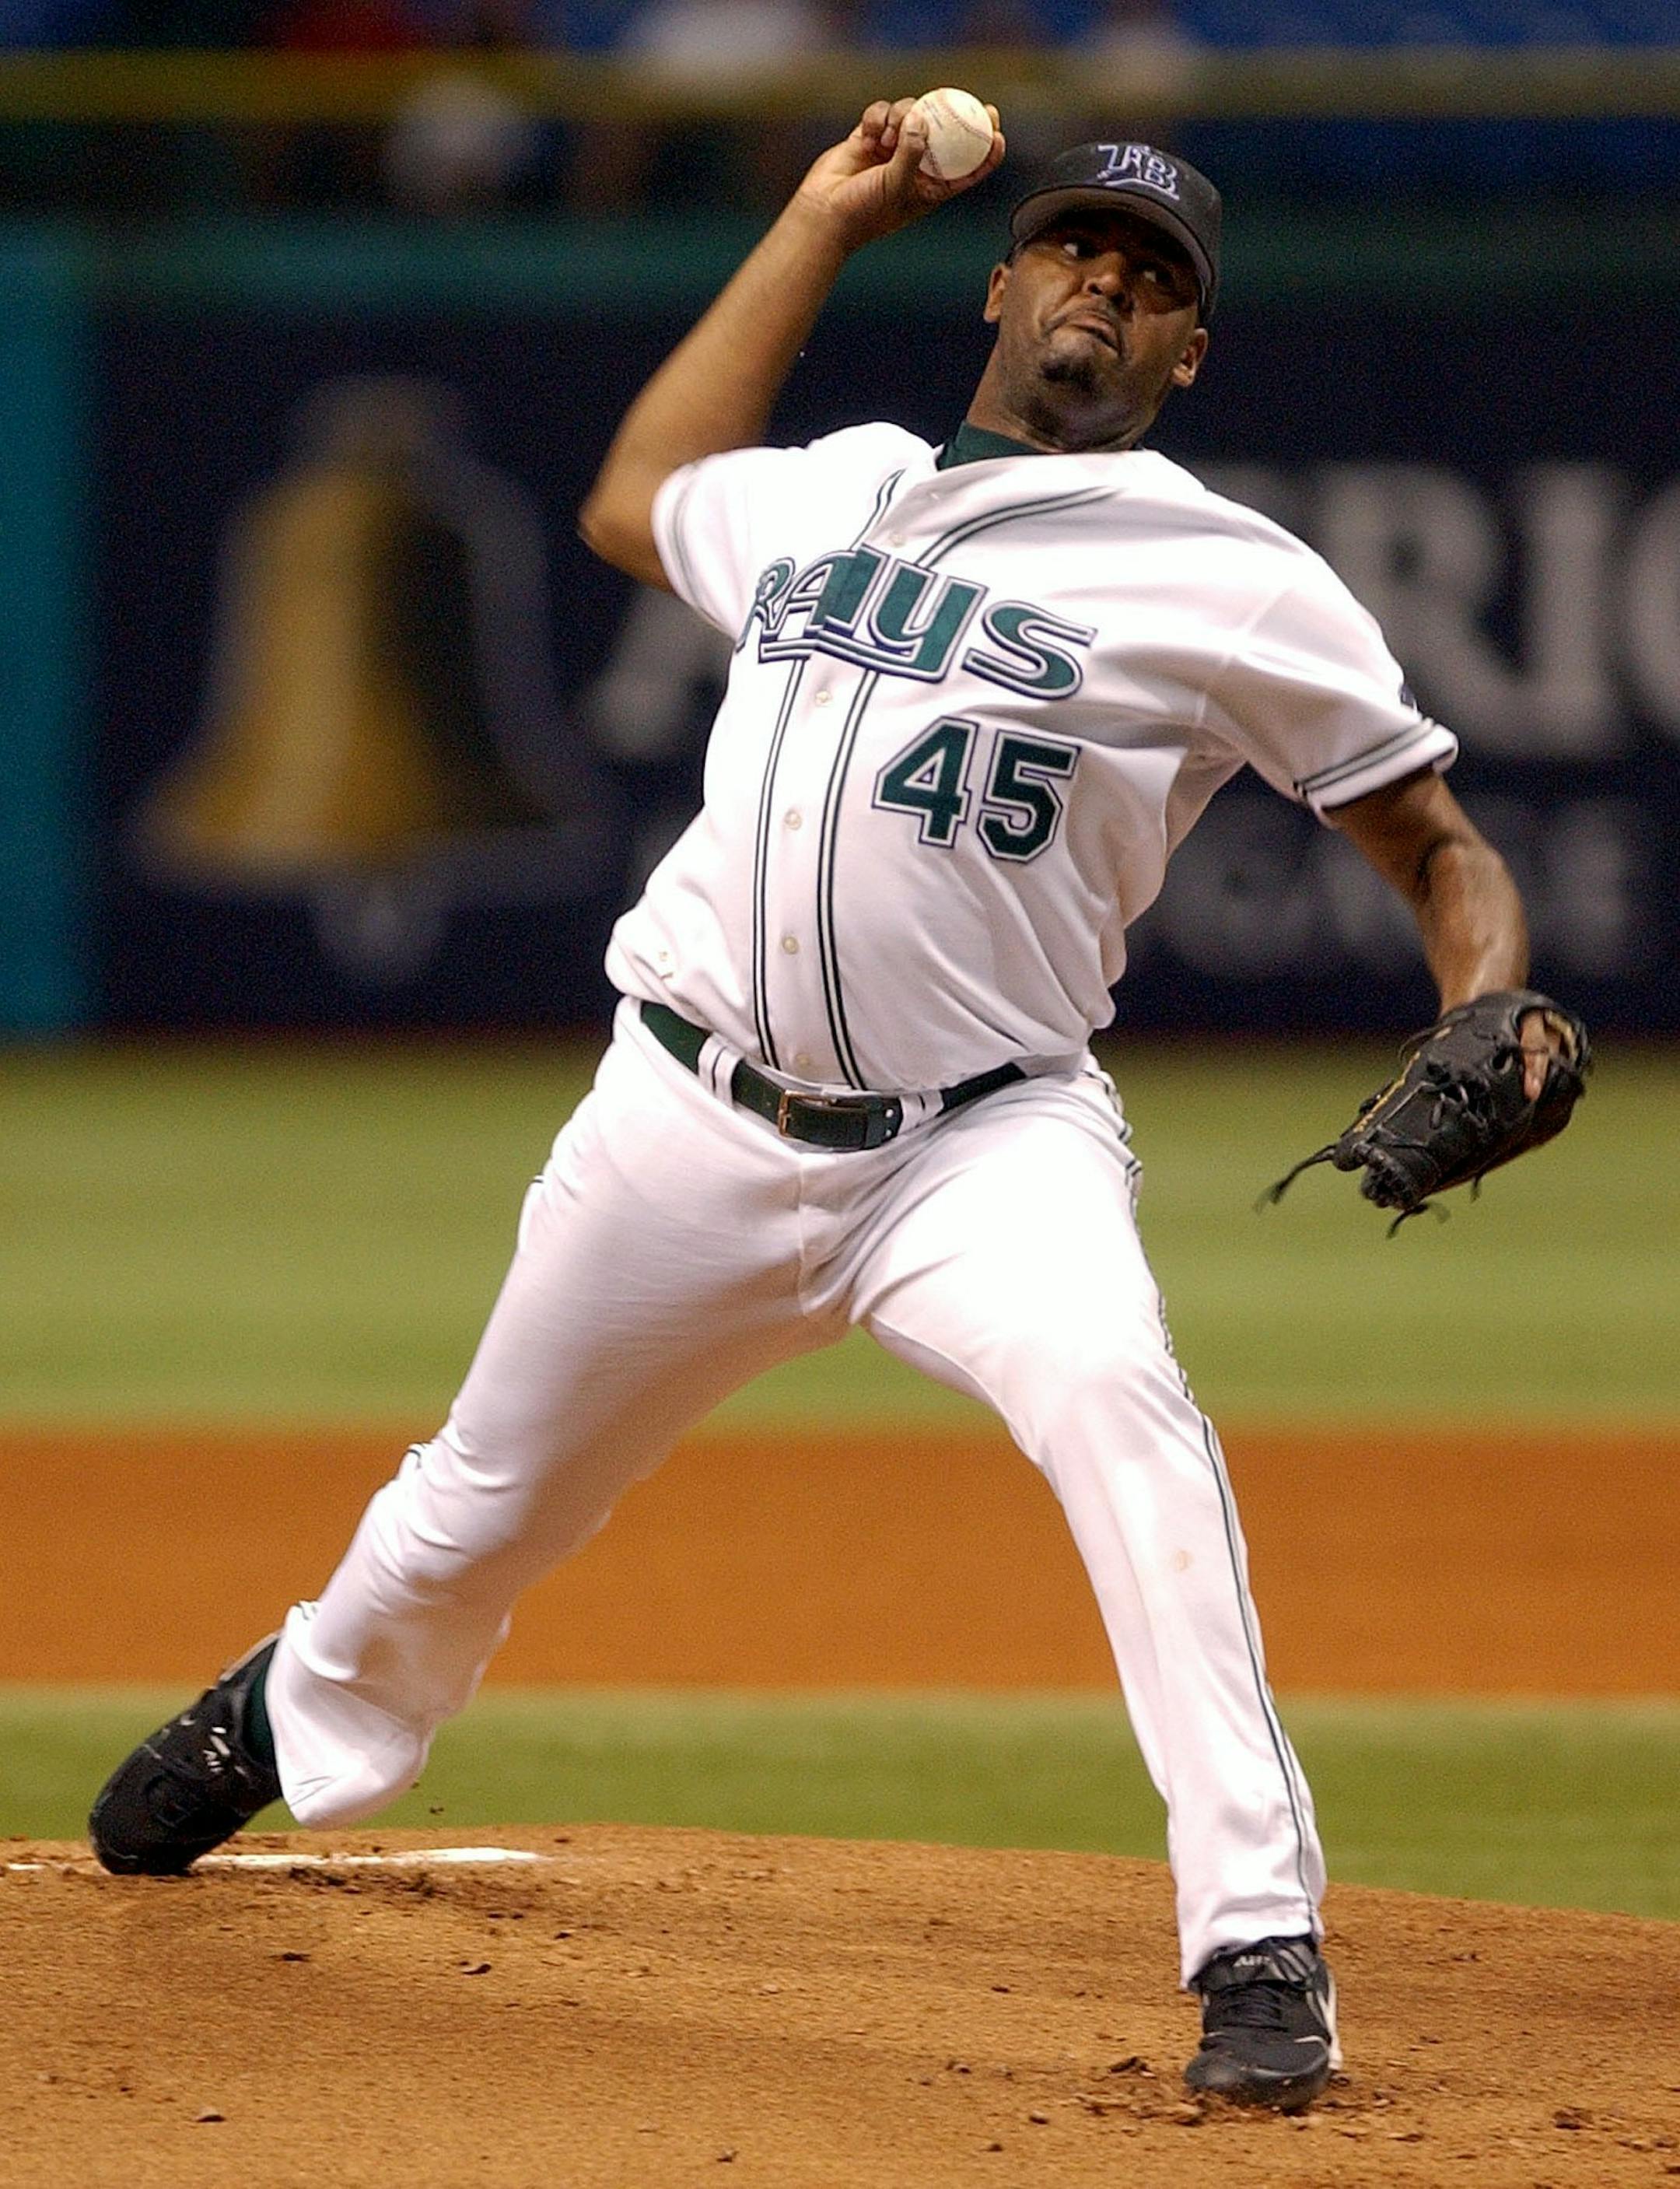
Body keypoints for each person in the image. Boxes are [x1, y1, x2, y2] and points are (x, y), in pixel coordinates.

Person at [89, 102, 1564, 2113]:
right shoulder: (838, 488)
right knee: (480, 1501)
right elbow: (635, 499)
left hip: (980, 1143)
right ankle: (298, 1706)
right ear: (1002, 282)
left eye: (1153, 281)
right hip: (684, 1117)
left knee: (1125, 1419)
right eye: (1077, 249)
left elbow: (1439, 846)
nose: (1107, 288)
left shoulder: (1237, 581)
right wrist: (815, 217)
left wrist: (1496, 997)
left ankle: (1257, 1937)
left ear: (1187, 351)